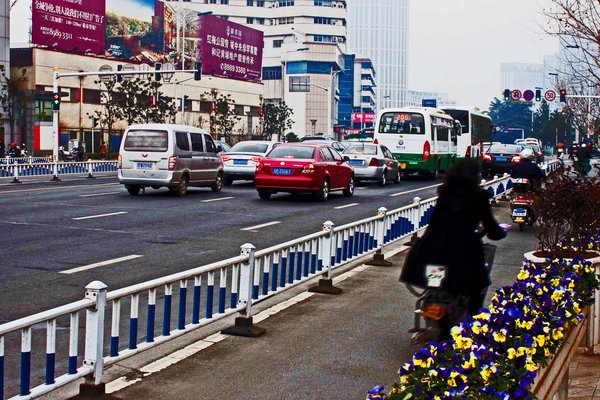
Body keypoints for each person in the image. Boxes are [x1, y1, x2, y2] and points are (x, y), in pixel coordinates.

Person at [400, 159, 507, 320]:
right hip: (464, 247)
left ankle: (432, 312)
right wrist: (499, 233)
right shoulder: (478, 196)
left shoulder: (444, 192)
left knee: (435, 282)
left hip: (434, 245)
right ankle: (472, 323)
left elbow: (434, 221)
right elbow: (490, 225)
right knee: (477, 285)